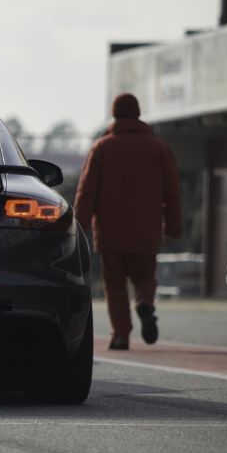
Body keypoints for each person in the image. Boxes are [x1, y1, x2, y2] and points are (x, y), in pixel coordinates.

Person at [74, 93, 182, 350]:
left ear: (114, 114)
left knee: (115, 283)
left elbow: (86, 192)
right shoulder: (158, 147)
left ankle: (121, 334)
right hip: (147, 230)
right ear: (138, 113)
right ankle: (145, 302)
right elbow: (172, 192)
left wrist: (78, 229)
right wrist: (173, 227)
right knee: (145, 276)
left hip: (110, 232)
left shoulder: (102, 147)